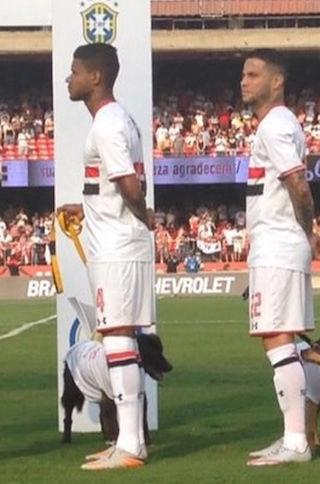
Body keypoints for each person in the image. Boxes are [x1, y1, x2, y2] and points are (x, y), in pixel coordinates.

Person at [58, 43, 155, 470]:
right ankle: (130, 441)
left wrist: (142, 217)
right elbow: (114, 186)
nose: (69, 78)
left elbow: (131, 186)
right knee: (118, 338)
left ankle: (130, 445)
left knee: (117, 339)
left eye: (75, 71)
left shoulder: (108, 123)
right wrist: (87, 207)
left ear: (95, 77)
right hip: (115, 240)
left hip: (118, 246)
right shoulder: (114, 119)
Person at [240, 49, 315, 467]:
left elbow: (298, 186)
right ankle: (293, 436)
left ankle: (296, 441)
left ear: (277, 81)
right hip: (278, 242)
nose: (244, 81)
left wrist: (305, 229)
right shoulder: (276, 125)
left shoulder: (276, 125)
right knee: (279, 336)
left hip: (279, 243)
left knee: (278, 338)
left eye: (253, 74)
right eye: (243, 75)